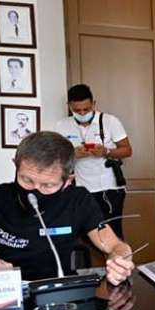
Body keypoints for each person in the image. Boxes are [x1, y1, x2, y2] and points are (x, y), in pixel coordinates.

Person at [0, 132, 134, 283]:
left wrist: (120, 260)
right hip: (7, 290)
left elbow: (115, 245)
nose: (34, 190)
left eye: (48, 185)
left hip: (61, 292)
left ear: (68, 181)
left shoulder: (78, 200)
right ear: (16, 165)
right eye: (26, 180)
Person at [54, 84, 132, 238]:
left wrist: (107, 151)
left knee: (113, 235)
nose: (82, 113)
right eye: (77, 110)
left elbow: (127, 150)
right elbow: (55, 158)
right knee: (86, 235)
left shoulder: (110, 121)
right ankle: (100, 262)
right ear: (70, 106)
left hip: (109, 189)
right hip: (81, 190)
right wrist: (72, 153)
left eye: (86, 109)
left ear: (94, 104)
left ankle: (119, 262)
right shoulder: (62, 126)